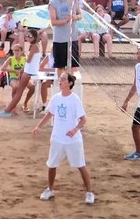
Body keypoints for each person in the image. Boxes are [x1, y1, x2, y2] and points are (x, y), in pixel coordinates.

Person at [32, 73, 95, 204]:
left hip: (73, 139)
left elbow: (83, 119)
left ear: (70, 83)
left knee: (81, 165)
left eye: (63, 79)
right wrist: (39, 127)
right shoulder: (55, 98)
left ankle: (89, 192)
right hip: (57, 138)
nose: (60, 81)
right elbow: (49, 114)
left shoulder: (75, 99)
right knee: (52, 164)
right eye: (60, 79)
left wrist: (75, 130)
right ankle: (49, 189)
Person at [0, 29, 41, 116]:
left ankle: (8, 110)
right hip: (29, 70)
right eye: (27, 36)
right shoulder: (35, 45)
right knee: (19, 90)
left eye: (30, 36)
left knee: (19, 91)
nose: (27, 37)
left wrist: (24, 61)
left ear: (34, 37)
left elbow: (28, 60)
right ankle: (10, 109)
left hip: (29, 71)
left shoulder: (34, 46)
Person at [49, 0, 82, 72]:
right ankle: (61, 80)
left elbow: (80, 15)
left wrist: (75, 17)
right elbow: (53, 22)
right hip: (60, 38)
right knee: (60, 66)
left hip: (72, 37)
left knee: (73, 66)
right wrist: (65, 20)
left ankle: (70, 80)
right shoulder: (53, 3)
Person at [0, 44, 35, 113]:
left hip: (23, 77)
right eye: (14, 50)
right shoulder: (11, 59)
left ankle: (25, 103)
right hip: (13, 77)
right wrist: (14, 71)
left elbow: (30, 67)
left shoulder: (25, 59)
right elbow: (3, 68)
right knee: (15, 87)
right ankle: (13, 105)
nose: (16, 52)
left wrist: (22, 71)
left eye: (18, 50)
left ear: (21, 51)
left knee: (32, 87)